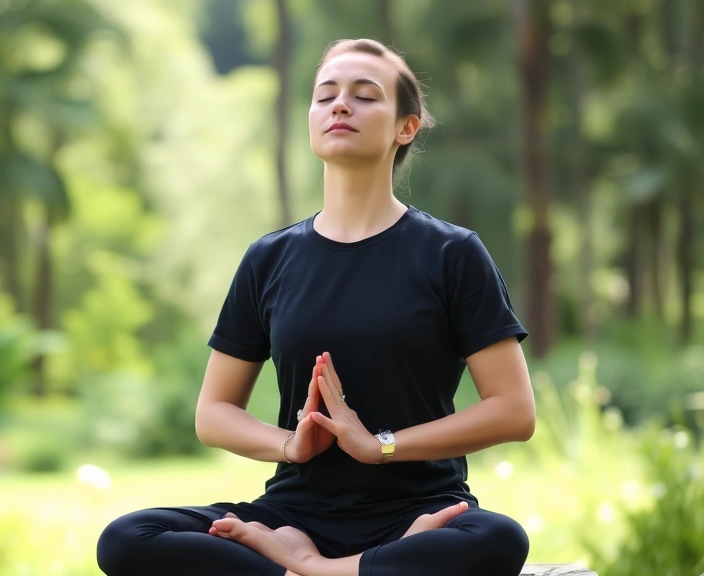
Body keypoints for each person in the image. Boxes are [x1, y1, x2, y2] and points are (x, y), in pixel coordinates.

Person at [96, 37, 536, 576]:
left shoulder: (452, 253)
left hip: (417, 514)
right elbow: (213, 413)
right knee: (128, 538)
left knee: (497, 539)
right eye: (325, 95)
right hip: (293, 514)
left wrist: (381, 447)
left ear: (406, 127)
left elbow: (514, 410)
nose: (340, 105)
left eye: (365, 95)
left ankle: (310, 571)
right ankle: (347, 569)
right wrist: (289, 445)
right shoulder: (270, 257)